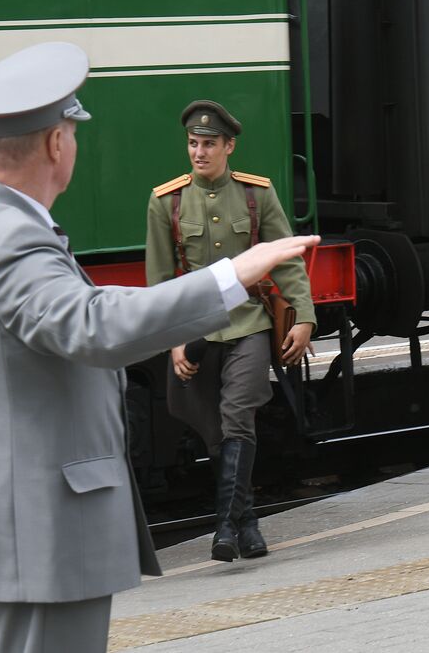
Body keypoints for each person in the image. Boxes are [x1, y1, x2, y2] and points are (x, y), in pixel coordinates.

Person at [0, 42, 316, 653]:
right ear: (57, 143)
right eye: (72, 134)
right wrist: (232, 275)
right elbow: (94, 325)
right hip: (44, 527)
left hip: (8, 521)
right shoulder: (12, 241)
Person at [144, 100, 316, 563]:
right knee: (216, 432)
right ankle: (248, 520)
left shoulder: (257, 195)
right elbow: (160, 283)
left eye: (208, 144)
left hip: (248, 323)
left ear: (229, 146)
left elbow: (286, 257)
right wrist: (175, 338)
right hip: (197, 331)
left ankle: (223, 527)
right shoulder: (167, 202)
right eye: (193, 143)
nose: (199, 152)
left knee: (239, 414)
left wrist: (303, 313)